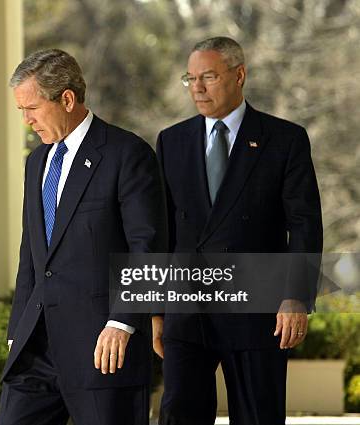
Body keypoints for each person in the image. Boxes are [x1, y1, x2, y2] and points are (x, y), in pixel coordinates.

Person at [153, 37, 323, 425]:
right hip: (187, 310)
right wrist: (155, 311)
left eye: (208, 77)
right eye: (190, 78)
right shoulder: (171, 140)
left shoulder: (285, 139)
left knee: (258, 417)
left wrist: (295, 298)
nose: (197, 88)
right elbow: (160, 229)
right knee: (178, 415)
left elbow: (304, 224)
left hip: (257, 310)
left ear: (239, 75)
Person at [0, 48, 167, 425]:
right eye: (21, 111)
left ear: (67, 99)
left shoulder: (127, 155)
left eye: (32, 109)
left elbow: (148, 248)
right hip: (36, 352)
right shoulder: (36, 162)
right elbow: (33, 253)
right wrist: (16, 335)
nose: (26, 121)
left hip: (104, 348)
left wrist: (122, 322)